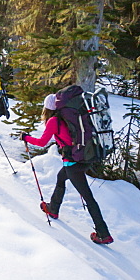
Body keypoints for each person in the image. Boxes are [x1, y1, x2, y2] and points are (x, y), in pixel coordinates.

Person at [23, 93, 113, 245]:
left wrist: (26, 138)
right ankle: (53, 208)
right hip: (84, 158)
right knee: (60, 177)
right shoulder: (71, 117)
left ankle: (103, 234)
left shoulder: (54, 120)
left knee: (88, 198)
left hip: (73, 163)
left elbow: (41, 142)